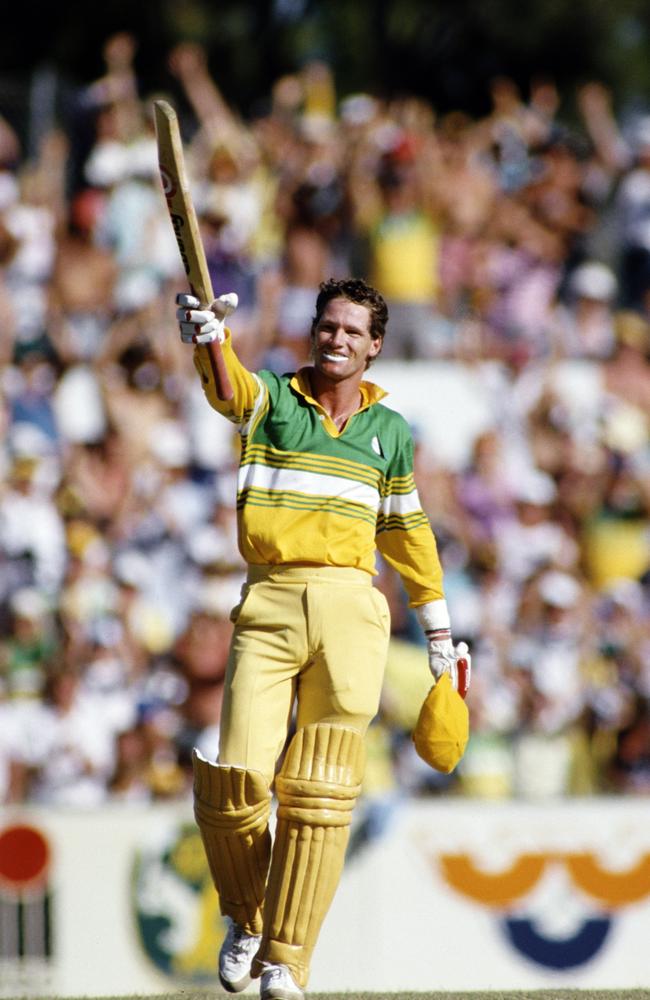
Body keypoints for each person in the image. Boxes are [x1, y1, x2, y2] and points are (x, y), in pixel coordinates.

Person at [175, 276, 470, 1000]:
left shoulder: (390, 432)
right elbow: (228, 391)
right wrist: (210, 340)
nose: (336, 339)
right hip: (270, 600)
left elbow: (406, 530)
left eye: (351, 331)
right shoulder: (274, 398)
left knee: (321, 794)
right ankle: (245, 916)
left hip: (352, 606)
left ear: (375, 346)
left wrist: (437, 628)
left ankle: (289, 957)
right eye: (327, 326)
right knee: (236, 782)